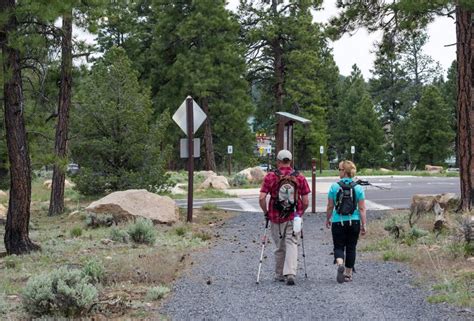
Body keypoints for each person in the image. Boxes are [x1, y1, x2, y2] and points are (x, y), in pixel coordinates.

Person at [259, 149, 310, 285]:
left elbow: (262, 198)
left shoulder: (270, 177)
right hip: (294, 216)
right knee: (292, 243)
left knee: (279, 245)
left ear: (278, 161)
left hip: (275, 216)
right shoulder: (299, 177)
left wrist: (266, 212)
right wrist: (300, 213)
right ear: (290, 161)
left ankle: (280, 273)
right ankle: (290, 273)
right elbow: (305, 201)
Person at [325, 160, 367, 283]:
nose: (338, 172)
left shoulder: (334, 187)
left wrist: (328, 219)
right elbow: (362, 208)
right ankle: (348, 274)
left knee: (338, 246)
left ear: (344, 171)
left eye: (339, 169)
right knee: (351, 247)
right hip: (354, 221)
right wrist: (364, 224)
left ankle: (339, 264)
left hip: (338, 221)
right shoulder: (358, 188)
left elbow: (330, 206)